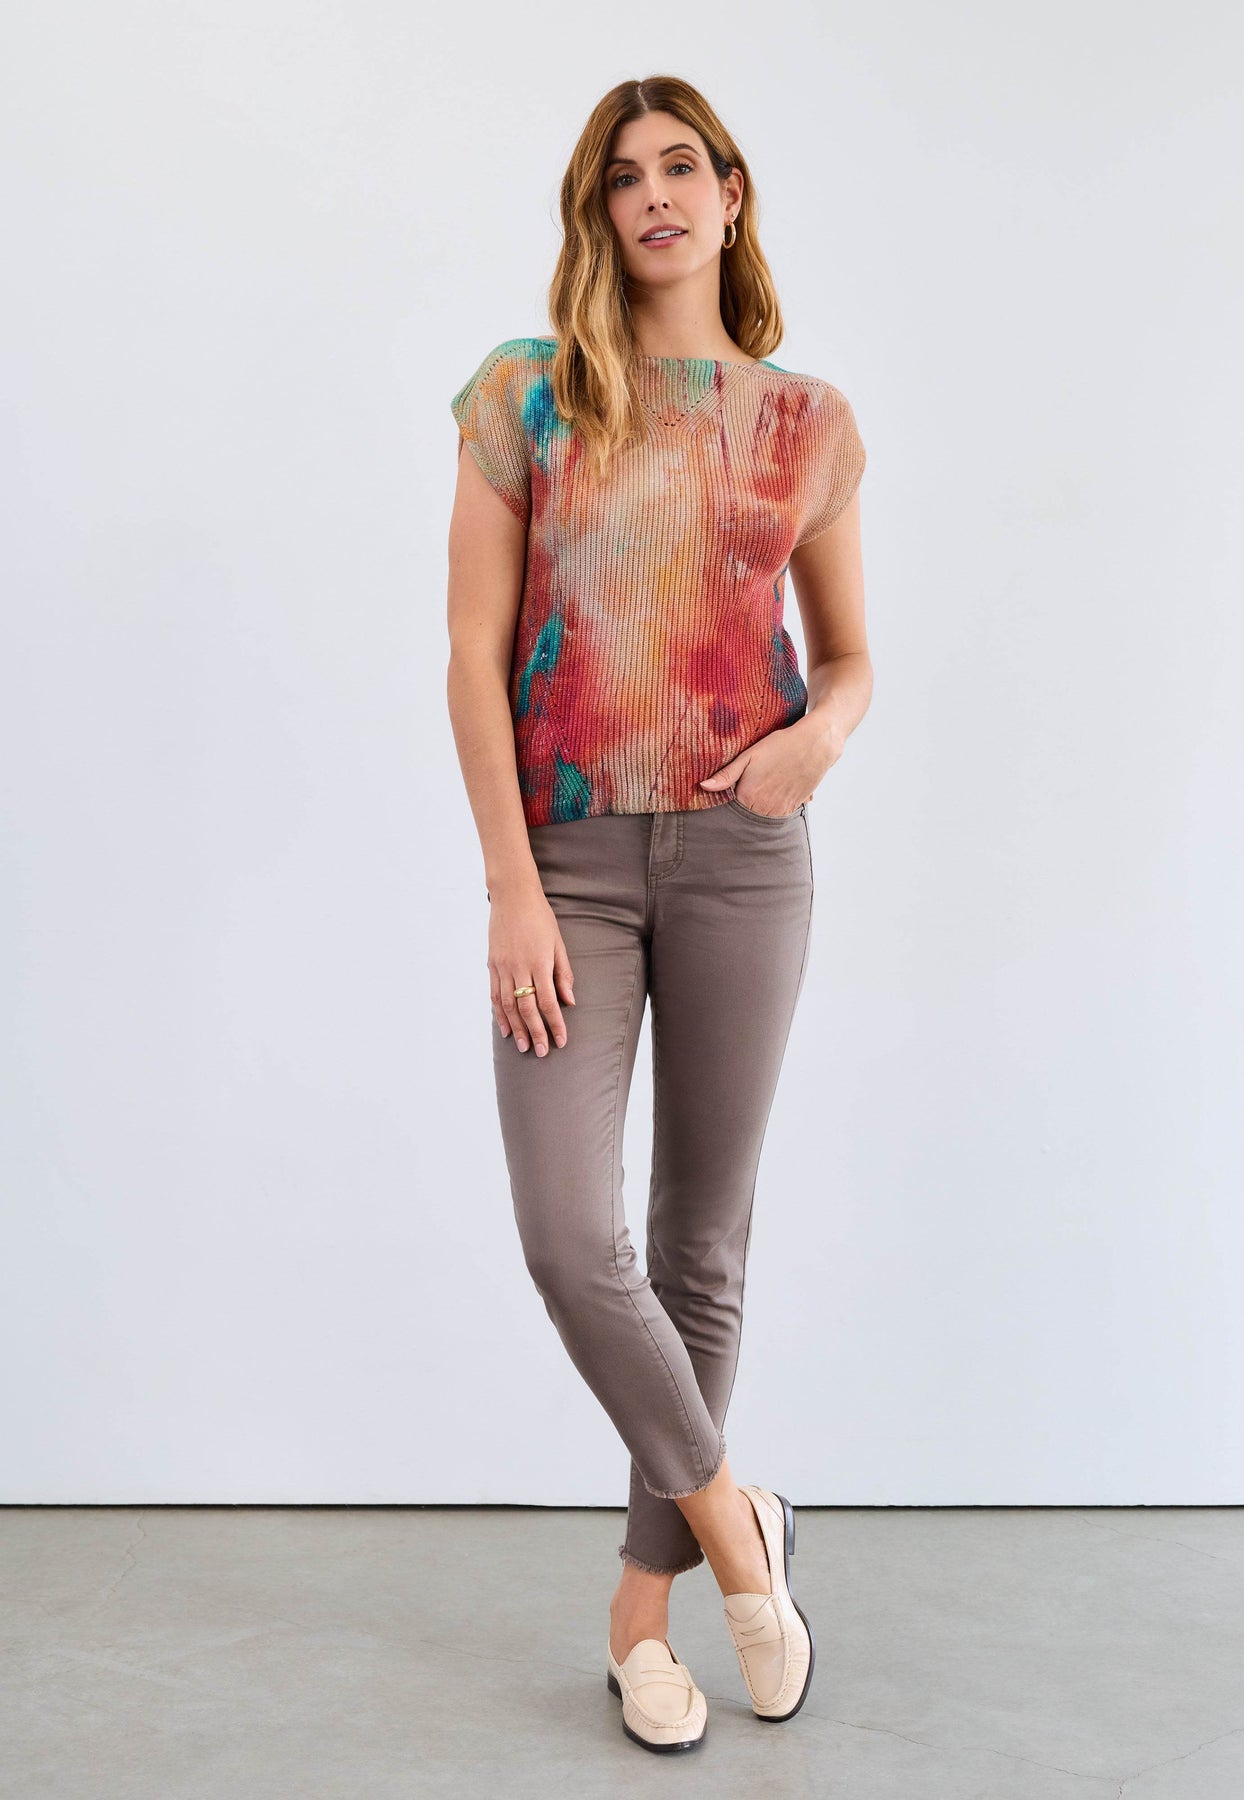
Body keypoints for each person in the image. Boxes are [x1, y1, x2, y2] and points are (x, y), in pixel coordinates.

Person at [445, 74, 872, 1755]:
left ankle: (641, 1617)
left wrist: (818, 741)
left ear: (731, 192)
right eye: (621, 178)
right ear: (596, 213)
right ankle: (737, 1529)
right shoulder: (525, 396)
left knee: (699, 1243)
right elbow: (472, 656)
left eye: (681, 166)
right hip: (565, 866)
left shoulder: (805, 421)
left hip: (744, 860)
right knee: (572, 1239)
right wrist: (509, 886)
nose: (655, 197)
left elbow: (848, 659)